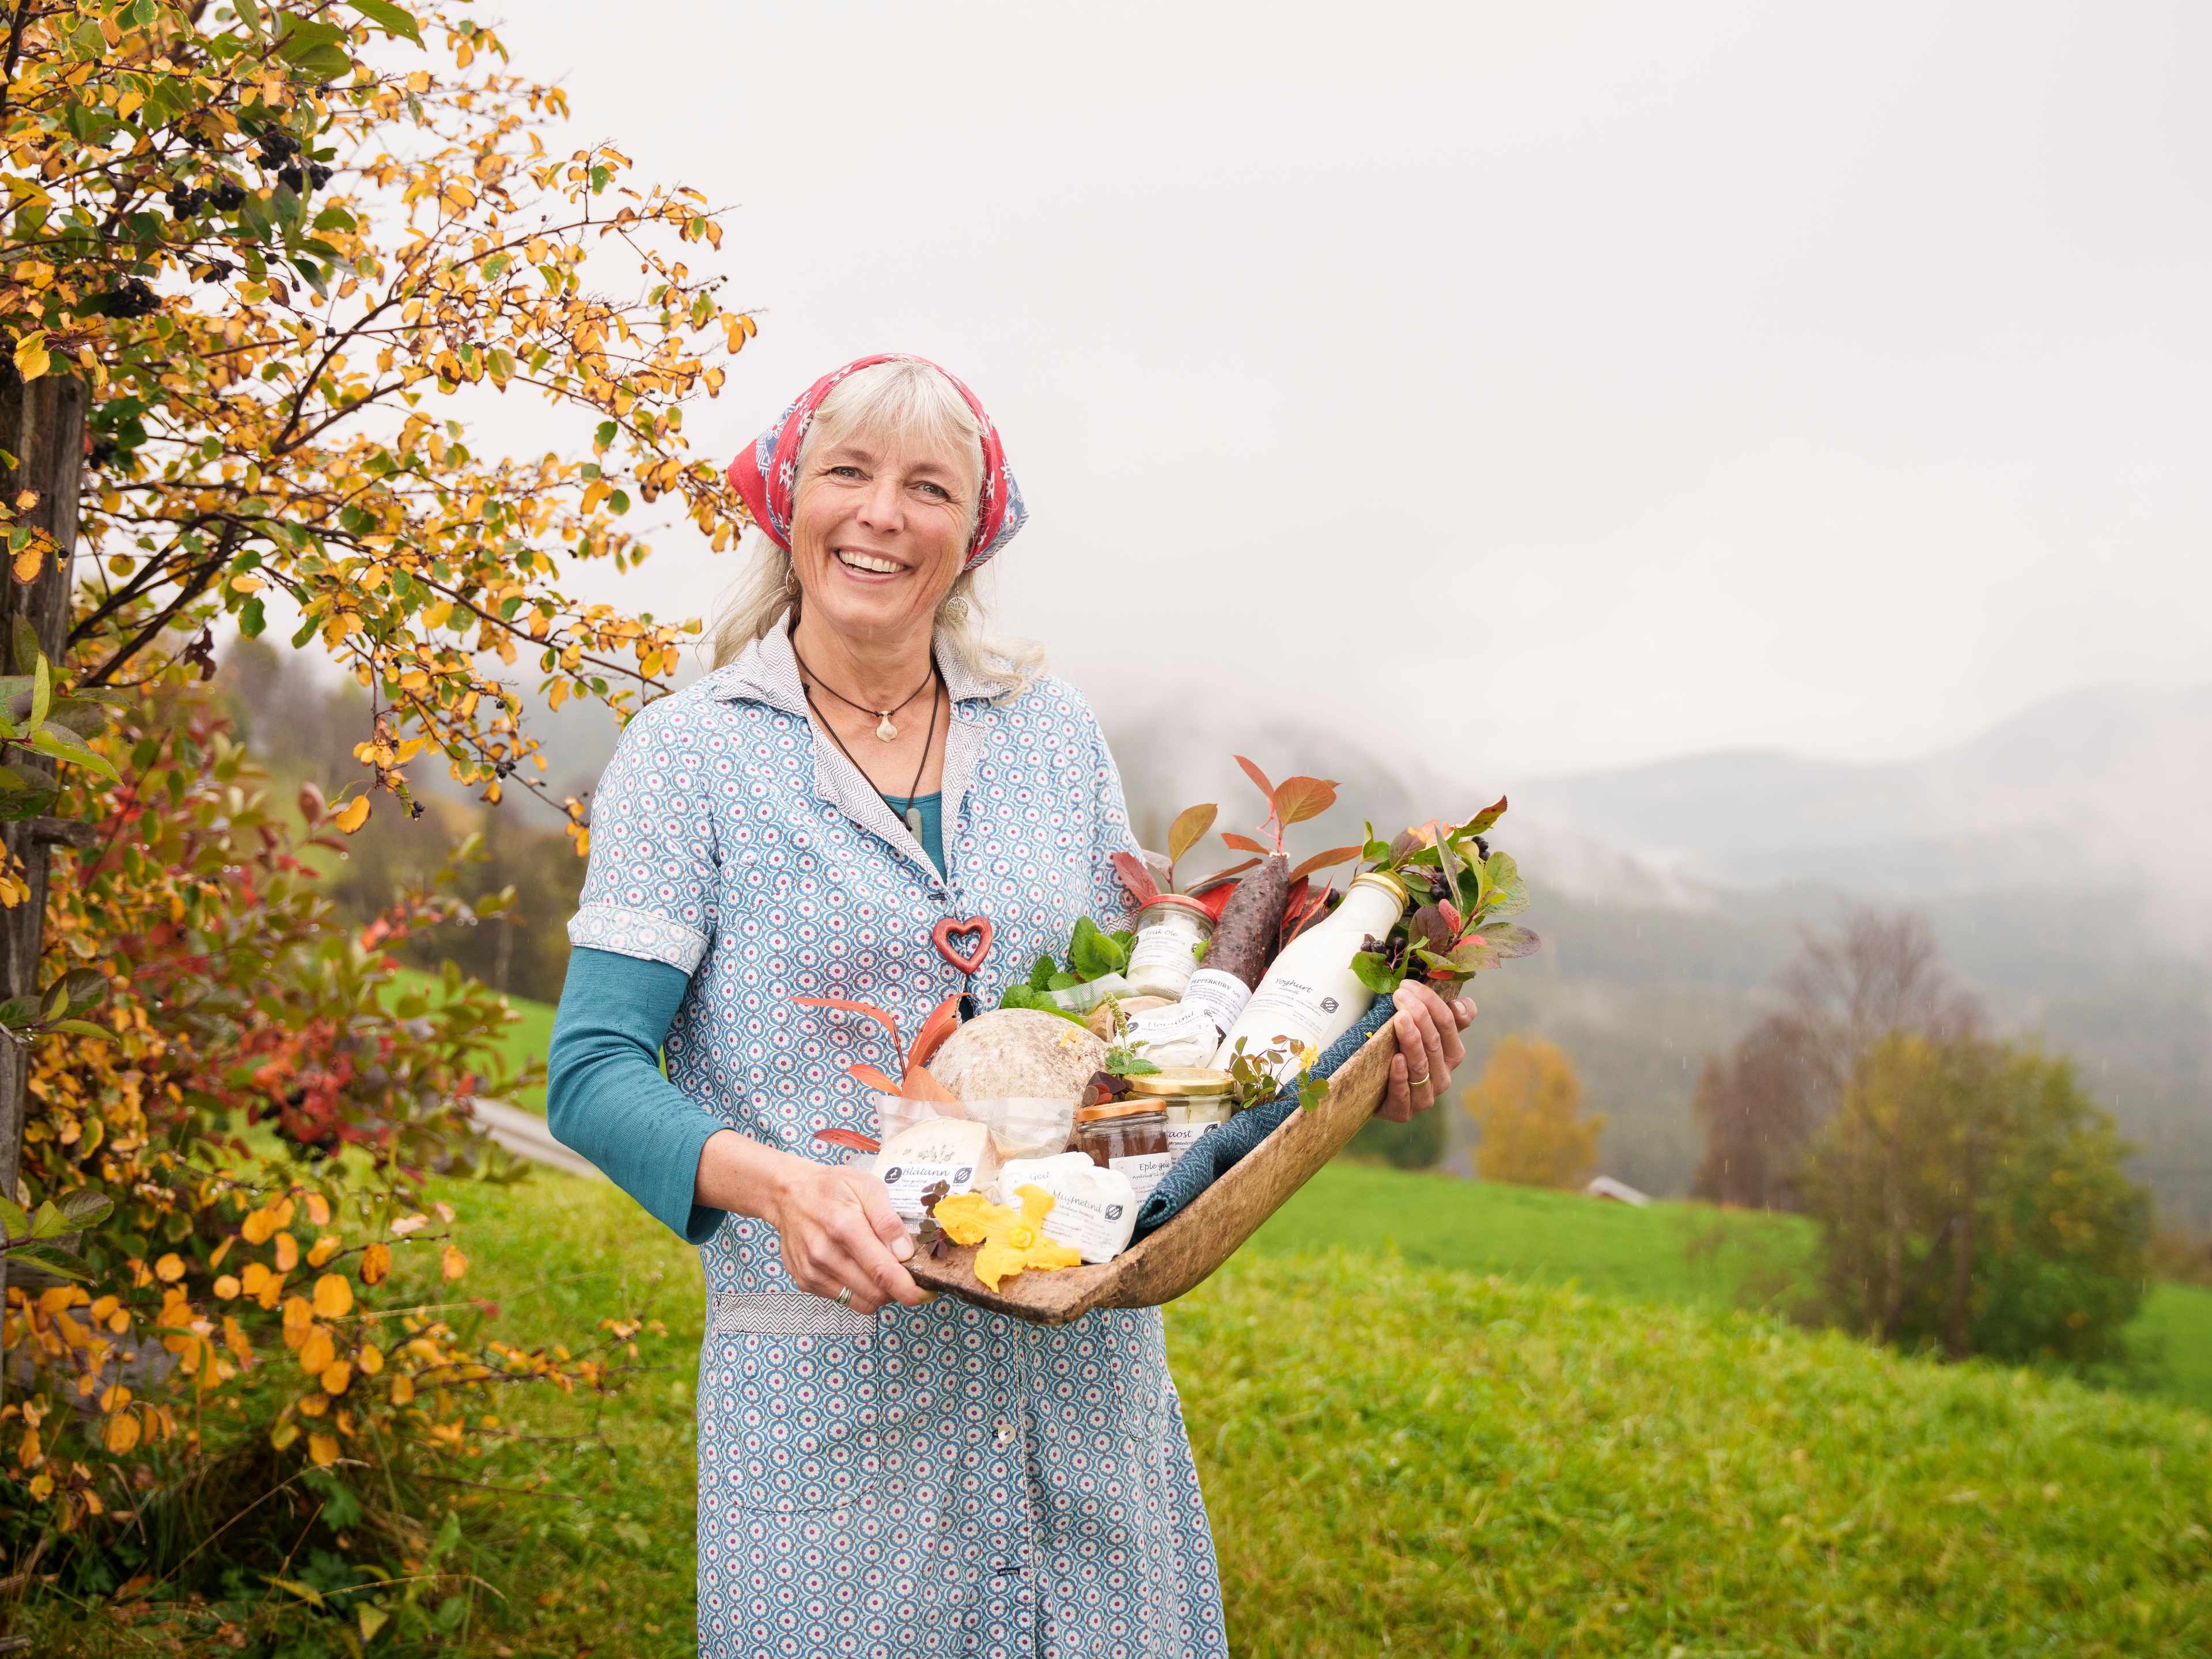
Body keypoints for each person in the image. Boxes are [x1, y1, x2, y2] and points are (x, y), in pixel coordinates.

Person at [547, 355, 1474, 1658]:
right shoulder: (691, 759)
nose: (883, 514)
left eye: (930, 487)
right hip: (833, 1399)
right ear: (786, 501)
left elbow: (1141, 1036)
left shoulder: (1049, 733)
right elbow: (591, 1074)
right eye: (850, 473)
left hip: (1081, 1384)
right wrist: (784, 1190)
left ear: (972, 536)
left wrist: (1356, 1054)